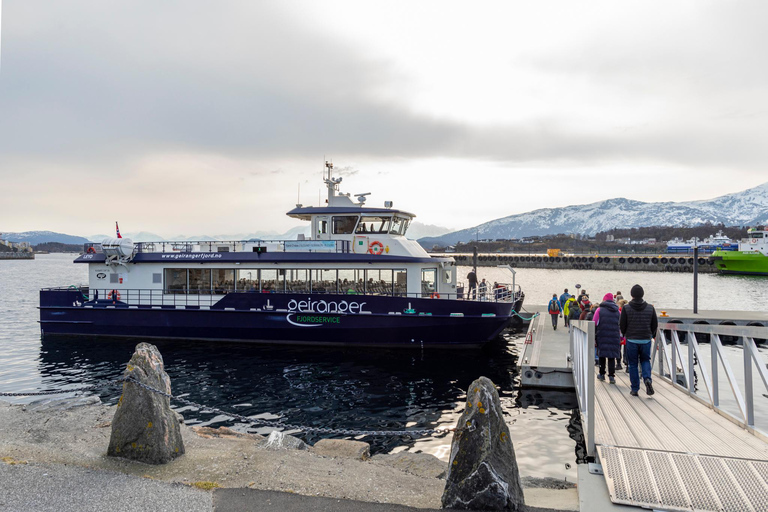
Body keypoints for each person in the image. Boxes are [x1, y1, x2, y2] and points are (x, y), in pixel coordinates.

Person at [620, 284, 658, 397]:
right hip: (645, 340)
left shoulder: (626, 308)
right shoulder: (650, 308)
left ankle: (635, 388)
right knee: (645, 360)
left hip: (632, 339)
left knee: (633, 364)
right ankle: (647, 379)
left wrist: (625, 334)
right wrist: (651, 335)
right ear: (642, 294)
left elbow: (622, 324)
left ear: (632, 294)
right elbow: (654, 324)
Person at [594, 293, 621, 384]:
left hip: (602, 335)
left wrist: (594, 336)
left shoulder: (599, 310)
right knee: (611, 356)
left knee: (602, 355)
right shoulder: (618, 311)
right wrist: (621, 336)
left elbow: (595, 323)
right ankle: (611, 376)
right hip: (614, 336)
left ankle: (602, 374)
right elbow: (621, 324)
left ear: (604, 300)